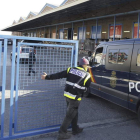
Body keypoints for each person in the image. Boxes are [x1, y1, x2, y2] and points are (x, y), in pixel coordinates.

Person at [41, 58, 91, 140]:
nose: (88, 67)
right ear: (84, 65)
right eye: (87, 65)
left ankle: (75, 129)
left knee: (74, 112)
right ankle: (62, 133)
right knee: (69, 115)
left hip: (67, 95)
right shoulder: (87, 75)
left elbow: (59, 75)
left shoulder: (70, 69)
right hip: (75, 98)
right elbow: (87, 87)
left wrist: (47, 77)